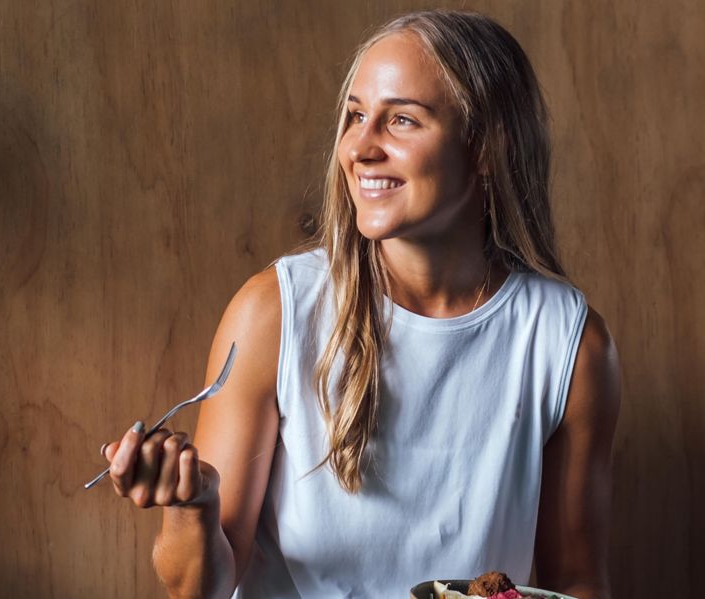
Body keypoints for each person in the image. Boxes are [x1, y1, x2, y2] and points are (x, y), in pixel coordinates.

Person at [100, 10, 620, 599]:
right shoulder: (274, 313)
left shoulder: (570, 345)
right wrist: (191, 506)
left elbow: (576, 583)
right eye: (354, 116)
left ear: (484, 147)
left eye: (401, 120)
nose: (360, 147)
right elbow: (199, 589)